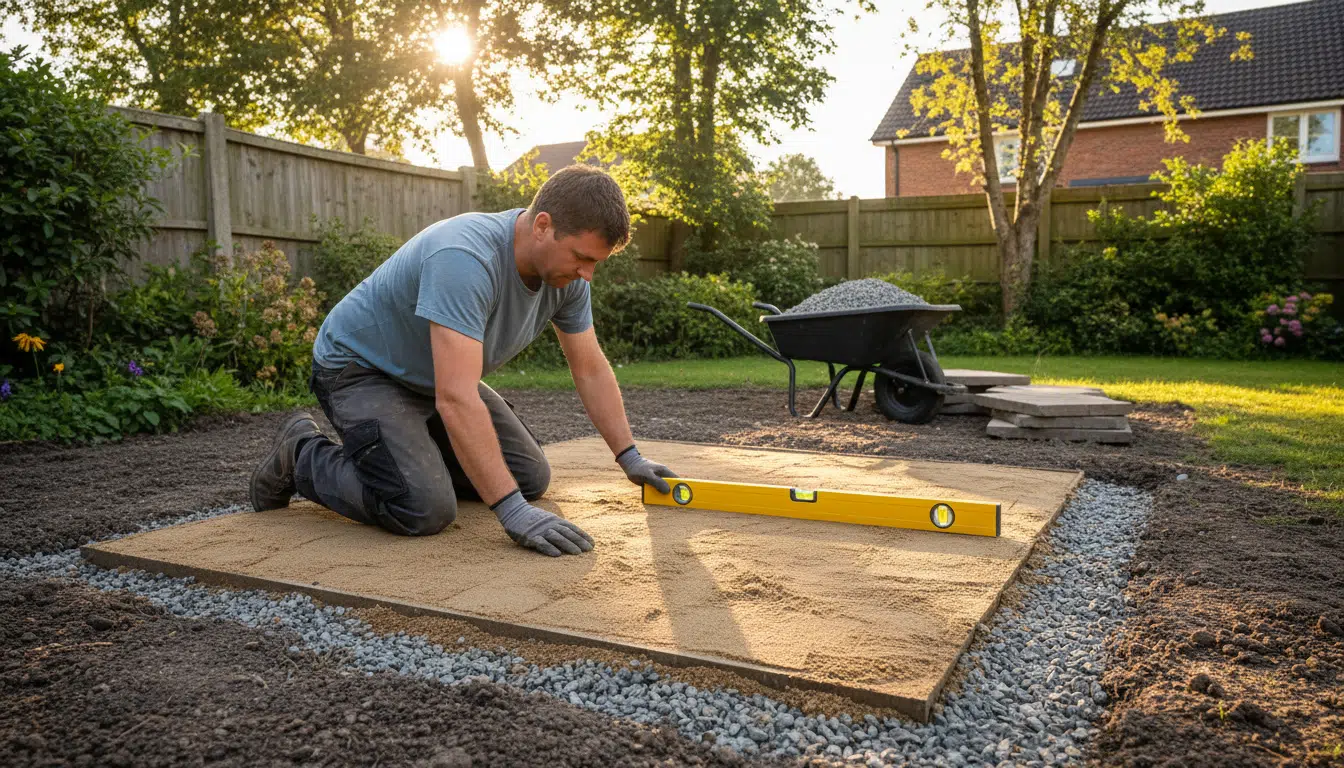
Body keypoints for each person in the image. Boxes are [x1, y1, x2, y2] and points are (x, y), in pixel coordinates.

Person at [248, 165, 677, 557]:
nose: (587, 274)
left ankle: (409, 453)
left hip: (431, 376)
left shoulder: (567, 281)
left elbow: (590, 367)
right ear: (543, 226)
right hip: (361, 369)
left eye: (595, 263)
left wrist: (629, 456)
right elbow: (455, 398)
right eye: (582, 258)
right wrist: (510, 512)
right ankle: (300, 453)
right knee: (423, 508)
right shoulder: (465, 259)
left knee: (529, 478)